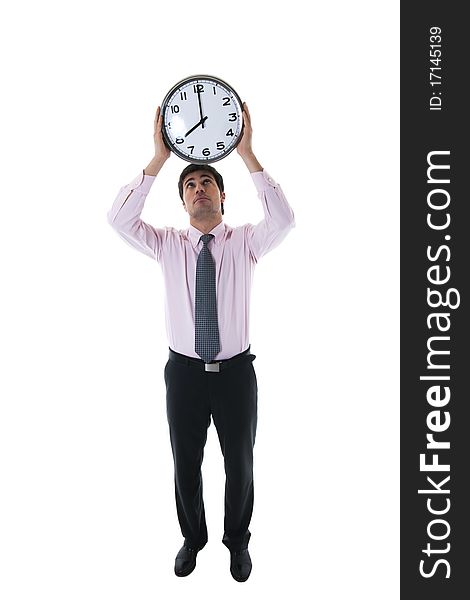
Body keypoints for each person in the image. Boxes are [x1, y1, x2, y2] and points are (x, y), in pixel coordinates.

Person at [107, 102, 295, 582]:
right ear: (183, 201)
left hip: (236, 374)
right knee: (185, 465)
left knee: (241, 467)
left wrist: (248, 153)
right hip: (184, 374)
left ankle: (238, 542)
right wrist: (158, 160)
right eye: (189, 186)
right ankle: (193, 537)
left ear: (222, 194)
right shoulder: (166, 243)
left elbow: (285, 219)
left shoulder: (247, 242)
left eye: (206, 182)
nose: (198, 189)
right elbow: (118, 220)